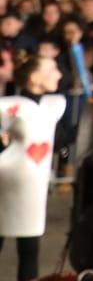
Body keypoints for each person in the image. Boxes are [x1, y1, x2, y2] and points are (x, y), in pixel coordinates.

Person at [0, 55, 64, 281]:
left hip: (32, 188)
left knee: (29, 247)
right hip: (7, 181)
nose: (59, 74)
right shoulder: (11, 107)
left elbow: (63, 137)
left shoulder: (52, 107)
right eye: (52, 69)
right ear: (35, 77)